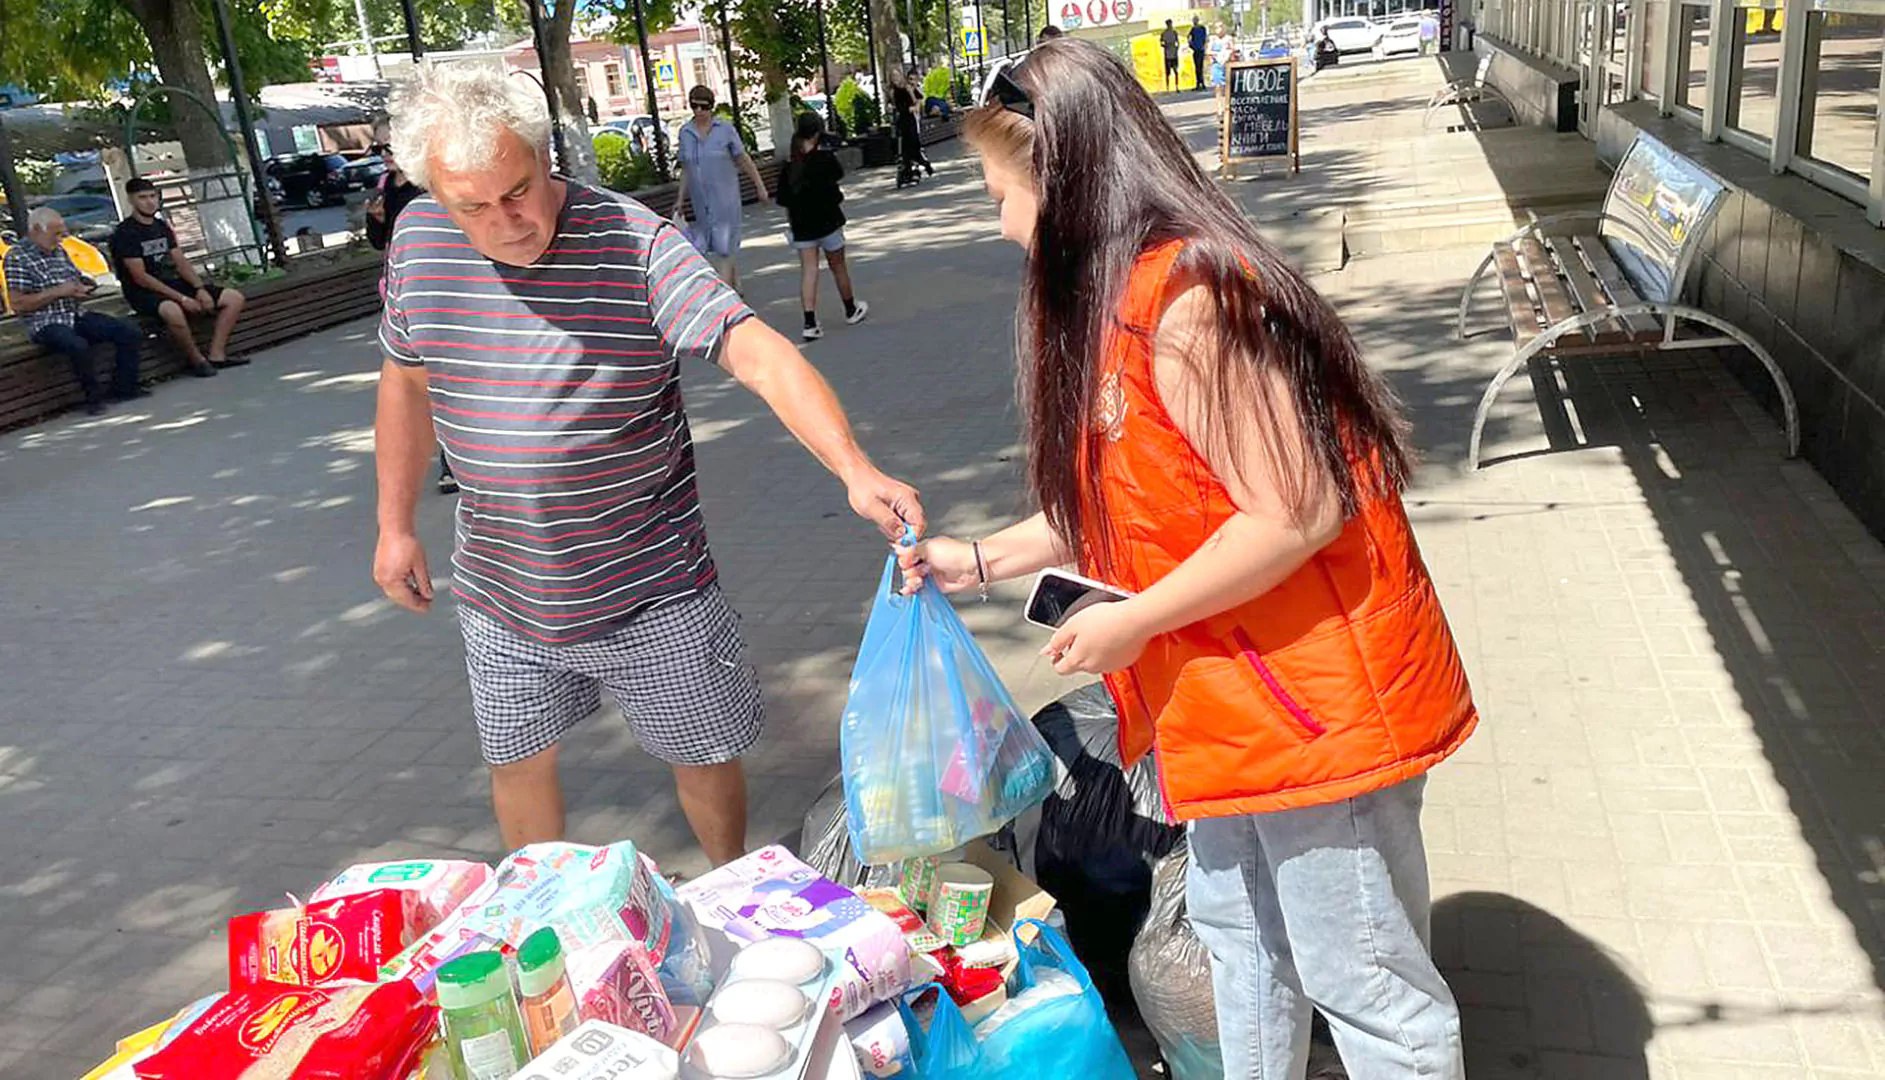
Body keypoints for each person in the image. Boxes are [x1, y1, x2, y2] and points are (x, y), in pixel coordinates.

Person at [906, 42, 1475, 1078]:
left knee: (1365, 982)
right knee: (1241, 943)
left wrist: (1137, 619)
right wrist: (978, 559)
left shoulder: (1194, 302)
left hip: (1311, 709)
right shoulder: (1122, 302)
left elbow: (1291, 514)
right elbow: (1122, 503)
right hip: (1231, 706)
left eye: (1002, 194)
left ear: (1069, 181)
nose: (998, 223)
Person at [373, 63, 924, 866]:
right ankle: (541, 909)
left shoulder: (634, 242)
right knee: (516, 761)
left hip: (651, 586)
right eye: (474, 207)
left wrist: (853, 466)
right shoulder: (420, 240)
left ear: (542, 151)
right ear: (432, 191)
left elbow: (755, 351)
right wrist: (393, 525)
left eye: (519, 190)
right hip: (502, 588)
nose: (508, 221)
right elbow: (405, 379)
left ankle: (729, 882)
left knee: (703, 755)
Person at [366, 138, 457, 496]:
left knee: (448, 373)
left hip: (440, 286)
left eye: (389, 144)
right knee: (423, 379)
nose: (384, 153)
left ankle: (454, 461)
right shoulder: (385, 187)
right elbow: (379, 241)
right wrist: (374, 220)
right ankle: (451, 459)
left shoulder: (430, 186)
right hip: (402, 288)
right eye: (378, 148)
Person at [4, 207, 144, 416]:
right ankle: (93, 398)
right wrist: (58, 292)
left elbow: (74, 278)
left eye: (62, 234)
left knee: (128, 331)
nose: (60, 239)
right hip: (44, 321)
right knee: (77, 345)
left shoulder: (59, 251)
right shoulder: (17, 258)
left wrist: (83, 286)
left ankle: (124, 387)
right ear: (36, 231)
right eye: (55, 234)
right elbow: (19, 303)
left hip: (74, 312)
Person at [110, 177, 249, 377]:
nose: (150, 202)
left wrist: (199, 289)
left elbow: (179, 261)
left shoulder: (161, 227)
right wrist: (182, 298)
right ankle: (197, 361)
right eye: (142, 197)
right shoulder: (125, 233)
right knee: (173, 311)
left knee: (234, 298)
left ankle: (217, 355)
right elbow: (140, 277)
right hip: (143, 292)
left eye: (153, 196)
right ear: (131, 200)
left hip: (172, 282)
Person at [776, 111, 869, 342]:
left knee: (809, 270)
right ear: (817, 133)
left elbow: (783, 199)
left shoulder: (790, 165)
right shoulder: (825, 159)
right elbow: (837, 178)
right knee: (838, 266)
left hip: (802, 226)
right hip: (829, 222)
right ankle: (850, 309)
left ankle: (809, 322)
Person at [671, 85, 770, 291]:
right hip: (702, 203)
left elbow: (743, 159)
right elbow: (686, 169)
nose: (699, 111)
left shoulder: (725, 130)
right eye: (694, 106)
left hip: (726, 201)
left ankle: (725, 295)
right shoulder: (685, 133)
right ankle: (736, 282)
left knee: (724, 249)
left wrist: (760, 186)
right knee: (719, 248)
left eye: (703, 107)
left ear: (711, 107)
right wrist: (680, 199)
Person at [890, 67, 935, 185]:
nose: (896, 79)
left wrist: (911, 94)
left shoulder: (908, 88)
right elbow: (898, 106)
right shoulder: (894, 91)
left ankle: (922, 166)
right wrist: (907, 108)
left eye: (897, 76)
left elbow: (918, 100)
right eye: (893, 77)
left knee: (913, 146)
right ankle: (907, 172)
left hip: (911, 121)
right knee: (904, 149)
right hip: (902, 121)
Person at [1189, 16, 1210, 90]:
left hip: (1199, 50)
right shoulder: (1199, 28)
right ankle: (1200, 83)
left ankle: (1200, 83)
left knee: (1198, 67)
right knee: (1199, 67)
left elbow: (1189, 39)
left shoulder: (1196, 29)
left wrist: (1192, 46)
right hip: (1199, 50)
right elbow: (1204, 39)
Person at [1161, 20, 1182, 90]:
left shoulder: (1174, 32)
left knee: (1176, 71)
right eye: (1168, 24)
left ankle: (1177, 87)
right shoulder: (1164, 33)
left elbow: (1178, 42)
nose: (1169, 25)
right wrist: (1165, 45)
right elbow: (1161, 42)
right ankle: (1167, 87)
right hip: (1167, 55)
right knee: (1167, 73)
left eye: (1170, 24)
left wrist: (1176, 48)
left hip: (1174, 54)